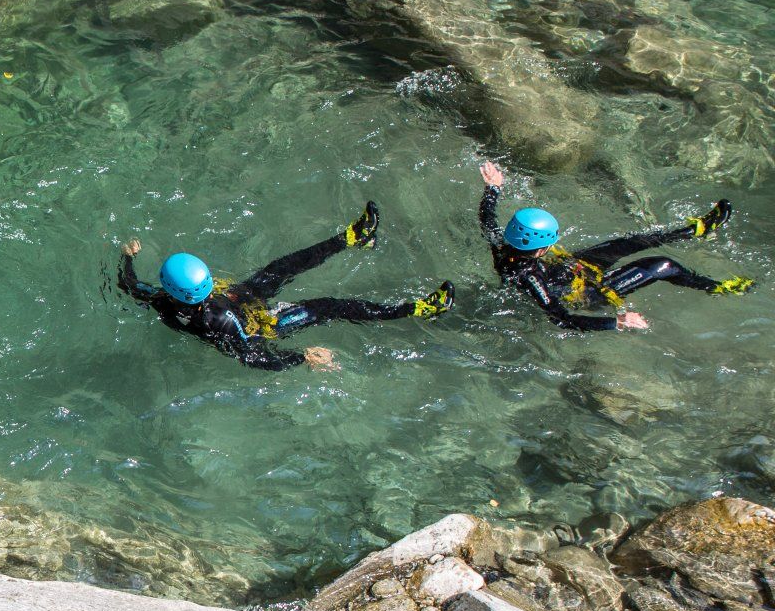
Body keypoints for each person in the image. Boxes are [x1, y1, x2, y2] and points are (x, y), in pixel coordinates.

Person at [117, 202, 452, 371]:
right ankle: (419, 309)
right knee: (329, 307)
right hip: (263, 324)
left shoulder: (161, 300)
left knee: (282, 267)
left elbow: (129, 286)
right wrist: (302, 357)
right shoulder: (221, 322)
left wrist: (126, 258)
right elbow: (254, 356)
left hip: (236, 298)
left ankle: (352, 238)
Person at [478, 161, 752, 332]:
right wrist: (618, 322)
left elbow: (487, 218)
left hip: (570, 268)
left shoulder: (502, 244)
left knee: (629, 242)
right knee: (662, 265)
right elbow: (562, 319)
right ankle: (716, 287)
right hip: (584, 293)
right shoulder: (528, 276)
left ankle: (694, 230)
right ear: (540, 250)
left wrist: (493, 188)